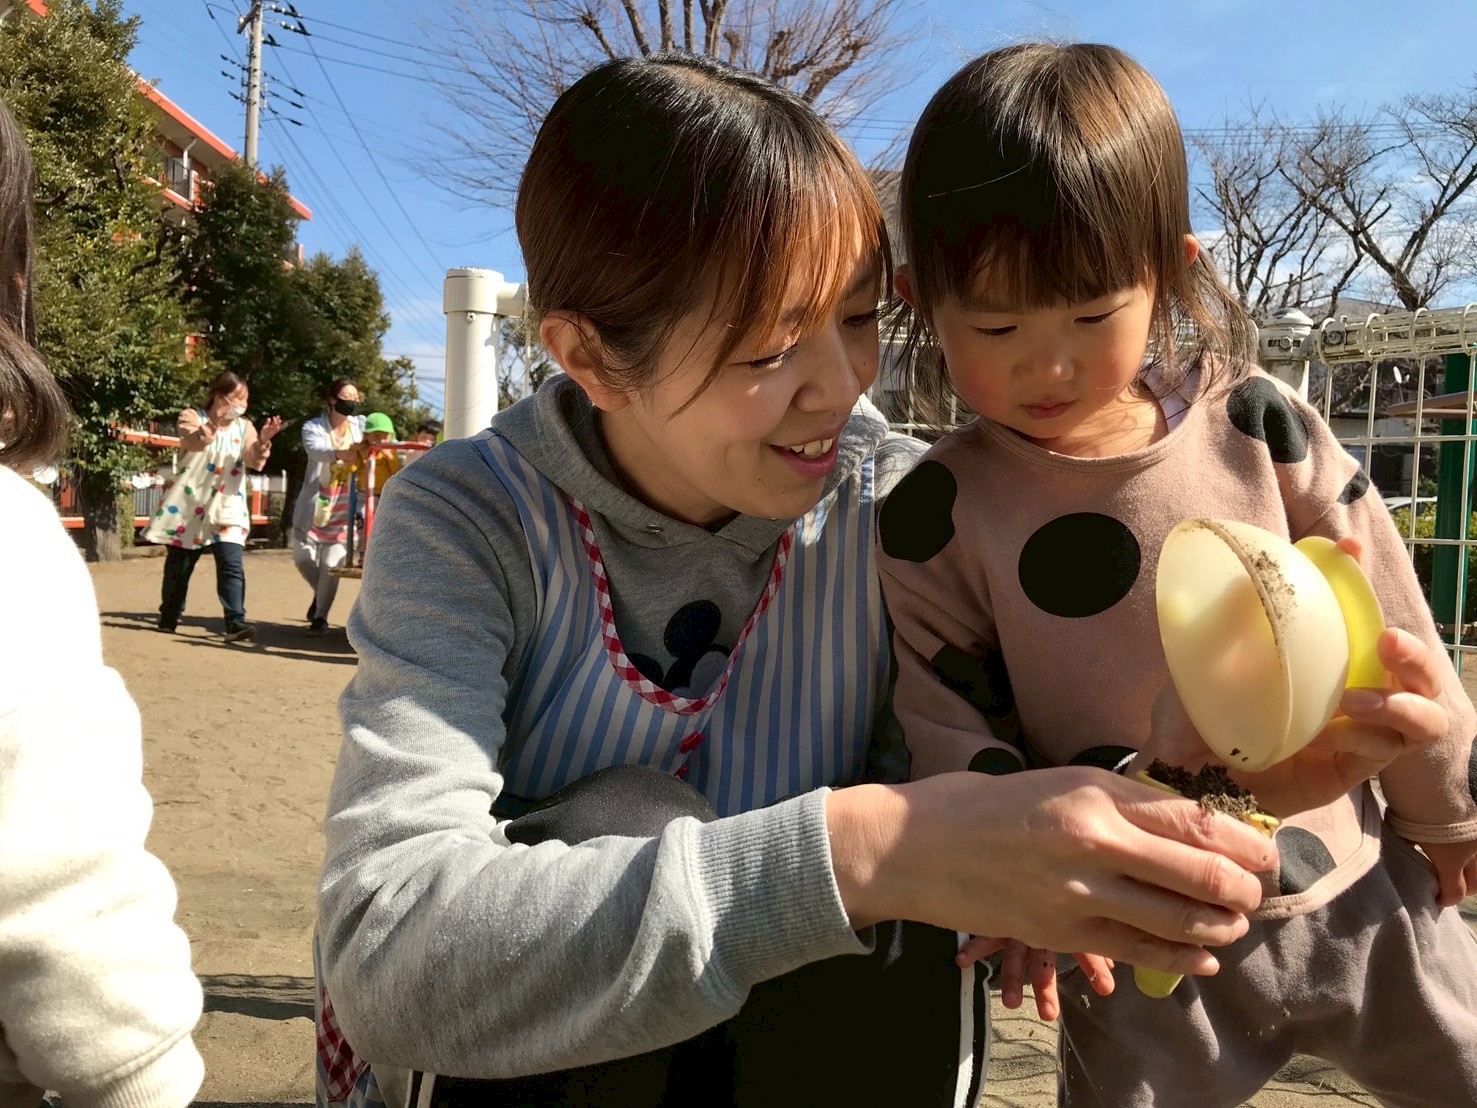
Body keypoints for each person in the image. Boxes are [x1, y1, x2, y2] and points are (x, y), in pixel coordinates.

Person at [313, 54, 1452, 1108]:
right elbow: (388, 956)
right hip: (544, 1065)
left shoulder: (899, 510)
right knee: (638, 819)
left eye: (859, 320)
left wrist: (1221, 782)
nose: (838, 385)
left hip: (810, 1058)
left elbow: (1016, 813)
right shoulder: (471, 519)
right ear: (591, 356)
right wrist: (871, 849)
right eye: (767, 351)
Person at [877, 42, 1477, 1107]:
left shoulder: (1254, 425)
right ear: (924, 304)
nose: (1046, 364)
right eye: (998, 325)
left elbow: (1392, 626)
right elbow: (942, 716)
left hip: (1357, 885)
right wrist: (1010, 893)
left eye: (1092, 316)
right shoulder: (938, 510)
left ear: (1171, 272)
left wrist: (1445, 809)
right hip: (1138, 933)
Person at [0, 96, 204, 1108]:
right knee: (188, 562)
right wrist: (142, 1071)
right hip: (191, 515)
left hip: (201, 518)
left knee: (210, 563)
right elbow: (63, 894)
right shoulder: (9, 537)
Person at [144, 369, 281, 643]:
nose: (241, 406)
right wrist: (215, 423)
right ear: (220, 396)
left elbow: (254, 460)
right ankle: (169, 615)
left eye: (244, 401)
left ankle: (235, 621)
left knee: (231, 563)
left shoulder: (245, 427)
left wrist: (264, 440)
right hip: (187, 504)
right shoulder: (192, 417)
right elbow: (193, 442)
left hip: (228, 504)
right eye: (236, 399)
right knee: (180, 566)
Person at [294, 378, 364, 635]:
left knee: (331, 566)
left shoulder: (361, 426)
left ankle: (320, 617)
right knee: (302, 560)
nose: (352, 402)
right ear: (333, 399)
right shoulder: (313, 427)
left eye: (356, 398)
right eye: (347, 397)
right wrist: (340, 453)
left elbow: (375, 444)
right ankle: (320, 594)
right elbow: (316, 450)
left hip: (344, 509)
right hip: (316, 506)